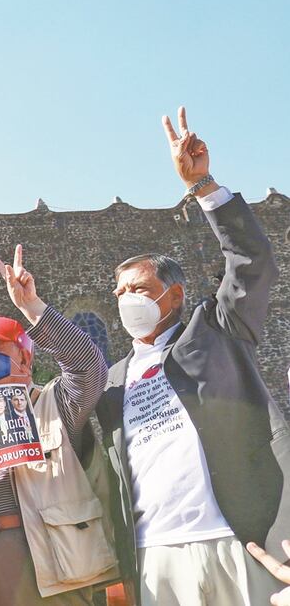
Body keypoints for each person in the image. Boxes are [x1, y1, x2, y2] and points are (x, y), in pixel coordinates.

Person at [95, 107, 288, 605]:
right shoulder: (113, 380)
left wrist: (204, 186)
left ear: (174, 295)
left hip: (235, 539)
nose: (126, 299)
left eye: (138, 288)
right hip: (154, 555)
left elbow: (253, 263)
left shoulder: (217, 330)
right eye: (118, 292)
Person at [0, 243, 116, 605]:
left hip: (42, 562)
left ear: (24, 357)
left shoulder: (55, 403)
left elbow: (89, 367)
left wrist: (31, 307)